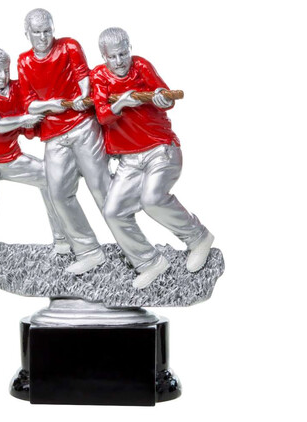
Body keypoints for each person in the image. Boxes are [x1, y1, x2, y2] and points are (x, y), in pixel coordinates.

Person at [90, 27, 215, 289]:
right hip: (129, 160)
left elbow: (167, 99)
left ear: (130, 49)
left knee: (152, 199)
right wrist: (122, 103)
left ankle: (198, 237)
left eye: (123, 53)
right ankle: (149, 262)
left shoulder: (141, 66)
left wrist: (159, 98)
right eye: (112, 56)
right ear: (103, 56)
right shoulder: (99, 76)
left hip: (160, 149)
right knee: (113, 211)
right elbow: (103, 115)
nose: (119, 61)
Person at [17, 8, 112, 274]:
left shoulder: (69, 46)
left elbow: (83, 77)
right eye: (37, 32)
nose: (43, 37)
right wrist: (51, 105)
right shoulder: (24, 61)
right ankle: (89, 251)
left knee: (102, 188)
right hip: (54, 134)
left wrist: (82, 98)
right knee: (58, 193)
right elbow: (29, 103)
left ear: (53, 29)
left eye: (47, 30)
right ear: (27, 33)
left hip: (82, 126)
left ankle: (136, 251)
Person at [0, 47, 66, 276]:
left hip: (11, 156)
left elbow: (36, 105)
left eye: (5, 70)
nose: (1, 76)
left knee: (48, 178)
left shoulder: (18, 88)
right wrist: (25, 119)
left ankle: (62, 240)